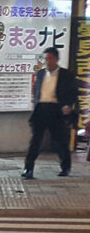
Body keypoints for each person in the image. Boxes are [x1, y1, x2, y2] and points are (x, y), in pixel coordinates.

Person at [22, 46, 78, 178]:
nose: (47, 61)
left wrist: (68, 105)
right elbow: (36, 91)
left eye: (50, 58)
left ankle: (65, 167)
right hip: (41, 109)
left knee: (60, 140)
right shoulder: (40, 73)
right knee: (35, 141)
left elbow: (74, 93)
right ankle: (28, 169)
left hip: (56, 109)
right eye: (45, 59)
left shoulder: (66, 74)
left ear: (57, 59)